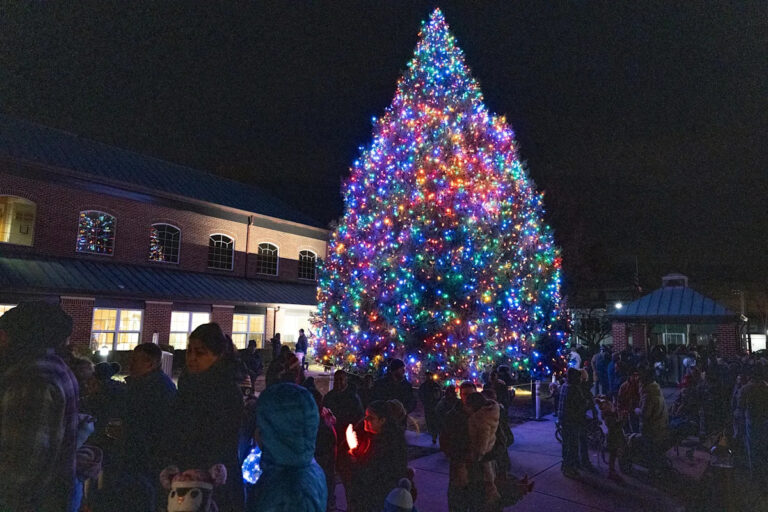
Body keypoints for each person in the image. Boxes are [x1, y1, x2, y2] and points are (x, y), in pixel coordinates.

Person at [0, 301, 80, 512]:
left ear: (22, 337)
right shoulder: (55, 368)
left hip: (26, 503)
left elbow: (23, 460)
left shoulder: (30, 378)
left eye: (4, 334)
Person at [170, 323, 245, 511]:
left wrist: (210, 470)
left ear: (217, 355)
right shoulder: (187, 384)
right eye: (189, 351)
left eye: (200, 352)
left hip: (214, 477)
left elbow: (223, 437)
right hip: (183, 474)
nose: (192, 358)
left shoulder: (226, 390)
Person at [250, 382, 327, 511]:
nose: (256, 432)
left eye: (262, 425)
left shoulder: (289, 491)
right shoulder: (307, 467)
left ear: (275, 432)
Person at [347, 400, 408, 512]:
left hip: (377, 500)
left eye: (370, 417)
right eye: (365, 416)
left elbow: (377, 474)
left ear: (382, 420)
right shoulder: (369, 435)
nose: (365, 420)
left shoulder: (391, 444)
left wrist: (357, 461)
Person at [440, 381, 483, 511]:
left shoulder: (485, 415)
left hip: (479, 471)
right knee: (457, 504)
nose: (468, 398)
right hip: (459, 469)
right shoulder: (452, 416)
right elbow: (444, 442)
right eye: (465, 394)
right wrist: (459, 457)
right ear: (460, 395)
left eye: (471, 394)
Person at [636, 369, 669, 475]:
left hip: (652, 428)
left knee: (650, 449)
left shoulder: (648, 395)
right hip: (660, 424)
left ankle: (652, 471)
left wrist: (635, 410)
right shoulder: (656, 389)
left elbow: (645, 414)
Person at [558, 368, 583, 478]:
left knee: (566, 443)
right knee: (572, 444)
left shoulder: (564, 386)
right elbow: (579, 405)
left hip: (564, 419)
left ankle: (565, 465)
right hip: (572, 420)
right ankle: (569, 467)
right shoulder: (574, 389)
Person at [420, 371, 443, 443]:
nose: (427, 378)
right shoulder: (423, 386)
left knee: (435, 421)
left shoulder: (435, 386)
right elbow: (421, 395)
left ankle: (434, 435)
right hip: (428, 406)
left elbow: (439, 395)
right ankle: (432, 433)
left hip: (434, 406)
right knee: (429, 420)